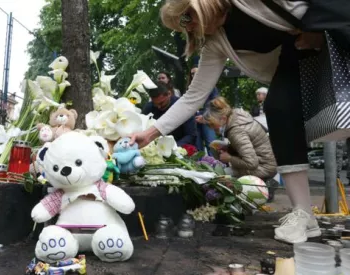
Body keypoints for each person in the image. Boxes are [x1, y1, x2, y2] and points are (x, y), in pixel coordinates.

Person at [130, 0, 342, 244]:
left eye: (187, 18)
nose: (187, 29)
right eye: (181, 26)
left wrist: (317, 29)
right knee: (278, 108)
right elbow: (192, 97)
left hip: (334, 34)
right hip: (295, 57)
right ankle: (303, 214)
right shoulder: (215, 43)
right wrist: (151, 133)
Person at [203, 96, 277, 179]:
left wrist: (230, 158)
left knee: (219, 175)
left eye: (212, 124)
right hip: (263, 163)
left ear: (223, 119)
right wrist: (229, 149)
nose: (212, 128)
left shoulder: (236, 132)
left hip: (264, 168)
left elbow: (251, 163)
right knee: (215, 144)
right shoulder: (235, 116)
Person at [142, 82, 197, 146]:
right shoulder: (149, 108)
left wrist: (174, 148)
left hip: (179, 146)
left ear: (169, 94)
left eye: (161, 103)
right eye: (155, 104)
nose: (158, 107)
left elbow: (191, 135)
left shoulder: (183, 107)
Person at [189, 56, 219, 155]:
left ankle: (217, 168)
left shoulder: (211, 86)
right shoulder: (189, 89)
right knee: (197, 148)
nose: (194, 75)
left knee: (211, 144)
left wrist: (204, 116)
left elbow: (215, 105)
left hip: (207, 119)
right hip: (194, 121)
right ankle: (202, 168)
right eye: (192, 73)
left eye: (196, 73)